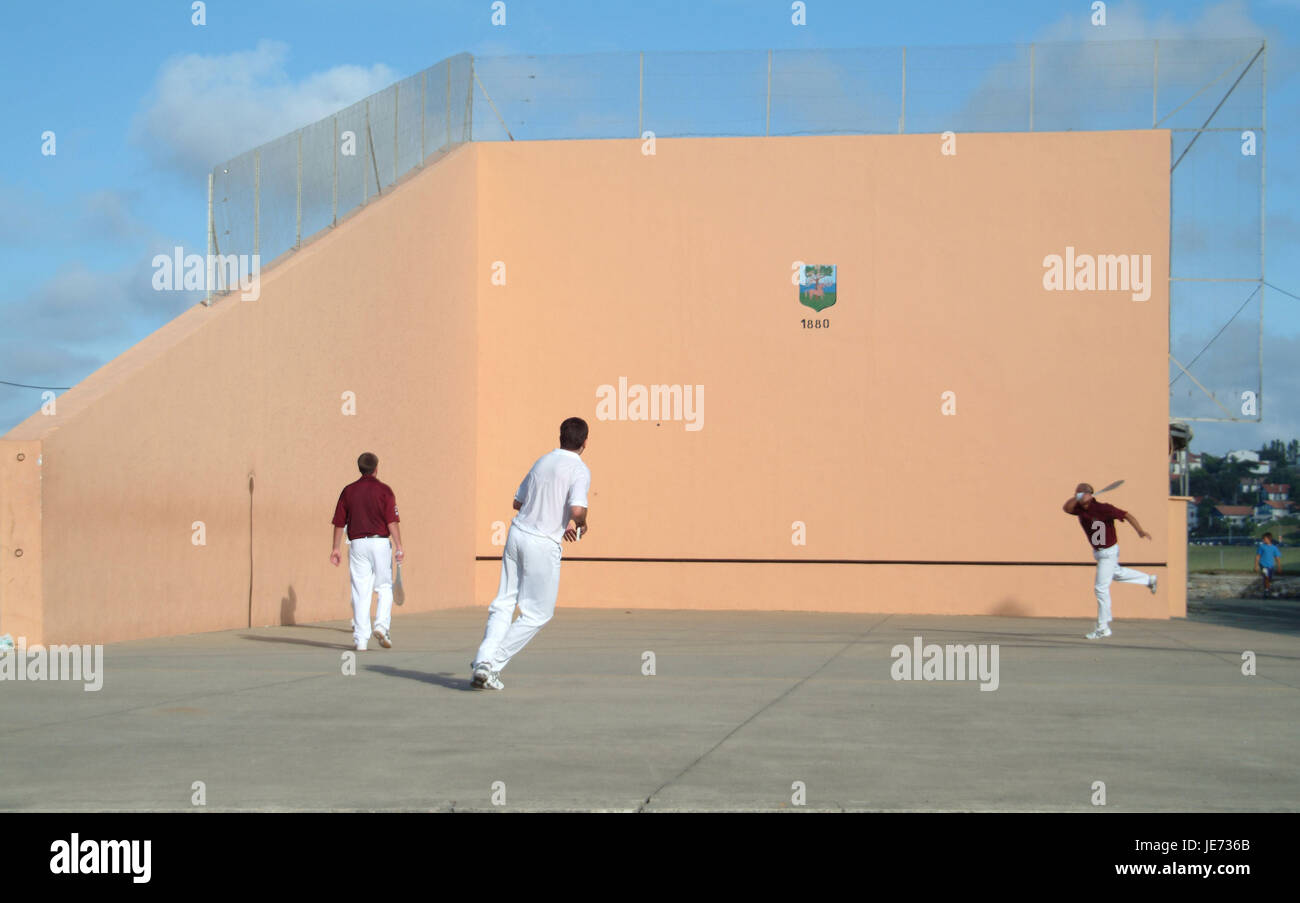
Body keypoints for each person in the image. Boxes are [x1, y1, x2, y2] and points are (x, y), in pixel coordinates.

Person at [472, 418, 591, 690]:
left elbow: (518, 502)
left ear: (560, 437)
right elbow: (577, 510)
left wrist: (558, 516)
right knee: (538, 613)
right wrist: (581, 522)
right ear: (585, 442)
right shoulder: (579, 469)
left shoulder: (542, 461)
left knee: (504, 602)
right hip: (542, 544)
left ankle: (483, 660)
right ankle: (492, 663)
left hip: (517, 535)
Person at [1062, 482, 1156, 639]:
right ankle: (1149, 580)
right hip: (1099, 553)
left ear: (1090, 495)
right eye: (1078, 492)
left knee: (1100, 588)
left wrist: (1140, 531)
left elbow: (1127, 515)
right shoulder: (1079, 509)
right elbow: (1066, 508)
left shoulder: (1104, 508)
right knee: (1117, 573)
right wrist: (1077, 497)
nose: (1080, 494)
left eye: (1083, 492)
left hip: (1109, 552)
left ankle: (1103, 628)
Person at [330, 452, 404, 651]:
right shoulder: (385, 491)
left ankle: (361, 640)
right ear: (376, 468)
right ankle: (381, 626)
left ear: (360, 468)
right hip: (380, 543)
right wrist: (399, 545)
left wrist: (335, 548)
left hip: (357, 545)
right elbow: (391, 521)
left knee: (360, 591)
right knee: (384, 586)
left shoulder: (348, 491)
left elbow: (339, 522)